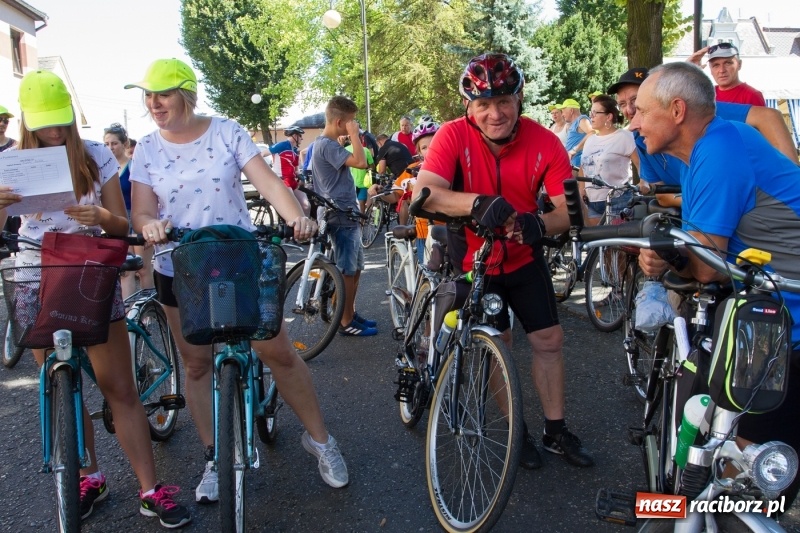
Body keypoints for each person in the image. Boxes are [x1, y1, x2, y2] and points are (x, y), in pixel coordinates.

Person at [125, 59, 350, 501]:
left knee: (277, 352)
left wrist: (298, 218)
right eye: (148, 95)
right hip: (180, 266)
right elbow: (141, 209)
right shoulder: (147, 148)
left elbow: (266, 182)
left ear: (186, 94)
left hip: (234, 259)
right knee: (195, 364)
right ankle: (214, 456)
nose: (154, 103)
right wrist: (149, 224)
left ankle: (322, 442)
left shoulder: (226, 131)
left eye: (163, 94)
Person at [0, 70, 191, 528]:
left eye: (58, 119)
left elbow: (122, 226)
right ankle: (90, 477)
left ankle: (149, 488)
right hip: (36, 271)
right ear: (25, 118)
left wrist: (102, 214)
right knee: (58, 383)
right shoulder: (10, 160)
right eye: (43, 121)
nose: (52, 129)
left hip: (87, 269)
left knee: (118, 388)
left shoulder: (93, 154)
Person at [413, 53, 594, 470]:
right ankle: (517, 432)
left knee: (549, 341)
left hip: (524, 257)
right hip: (476, 260)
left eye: (504, 102)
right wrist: (477, 203)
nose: (495, 114)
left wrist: (539, 223)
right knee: (500, 344)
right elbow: (424, 196)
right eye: (483, 105)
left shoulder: (544, 141)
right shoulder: (453, 136)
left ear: (520, 98)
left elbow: (571, 210)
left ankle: (554, 430)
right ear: (469, 107)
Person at [632, 60, 800, 507]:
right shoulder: (714, 144)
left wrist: (663, 258)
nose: (634, 122)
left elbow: (707, 264)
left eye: (642, 112)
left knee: (752, 480)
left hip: (789, 326)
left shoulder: (718, 148)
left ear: (678, 111)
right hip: (776, 310)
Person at [608, 66, 798, 193]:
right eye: (622, 104)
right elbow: (659, 193)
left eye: (637, 102)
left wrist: (788, 180)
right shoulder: (640, 138)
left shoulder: (701, 113)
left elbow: (769, 116)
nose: (630, 110)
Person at [311, 95, 377, 337]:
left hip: (346, 213)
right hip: (339, 214)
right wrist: (355, 135)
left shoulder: (328, 144)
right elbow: (360, 161)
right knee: (347, 270)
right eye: (351, 121)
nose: (355, 125)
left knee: (356, 268)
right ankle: (345, 321)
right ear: (340, 122)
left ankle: (350, 311)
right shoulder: (327, 145)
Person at [366, 119, 440, 262]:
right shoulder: (412, 169)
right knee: (427, 276)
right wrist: (380, 193)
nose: (430, 150)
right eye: (425, 147)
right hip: (424, 232)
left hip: (452, 232)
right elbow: (395, 196)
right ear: (418, 151)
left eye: (434, 145)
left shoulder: (455, 167)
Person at [103, 123, 154, 298]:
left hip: (136, 217)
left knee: (143, 268)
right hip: (118, 221)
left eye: (114, 143)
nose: (110, 147)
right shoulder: (106, 169)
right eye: (107, 144)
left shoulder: (134, 167)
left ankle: (150, 310)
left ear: (124, 144)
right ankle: (129, 312)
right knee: (125, 270)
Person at [579, 95, 638, 226]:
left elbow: (641, 166)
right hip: (591, 203)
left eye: (595, 113)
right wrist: (581, 190)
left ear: (609, 117)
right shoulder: (590, 140)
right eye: (591, 112)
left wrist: (643, 186)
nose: (591, 117)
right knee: (596, 244)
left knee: (615, 245)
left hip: (618, 200)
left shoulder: (625, 137)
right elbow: (583, 168)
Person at [687, 43, 766, 106]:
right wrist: (686, 69)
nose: (722, 70)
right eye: (716, 65)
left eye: (728, 63)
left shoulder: (752, 96)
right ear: (710, 69)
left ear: (739, 64)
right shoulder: (706, 95)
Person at [270, 125, 310, 216]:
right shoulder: (282, 145)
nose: (302, 139)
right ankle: (290, 227)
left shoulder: (295, 150)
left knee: (306, 206)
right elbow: (263, 154)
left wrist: (301, 177)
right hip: (283, 180)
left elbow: (296, 169)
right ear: (295, 136)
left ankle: (305, 228)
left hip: (292, 181)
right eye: (300, 136)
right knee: (292, 207)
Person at [346, 129, 375, 213]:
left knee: (351, 204)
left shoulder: (345, 149)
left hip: (349, 182)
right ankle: (362, 223)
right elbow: (372, 166)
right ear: (361, 138)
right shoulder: (365, 150)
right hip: (363, 182)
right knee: (362, 204)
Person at [561, 98, 594, 168]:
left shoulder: (582, 119)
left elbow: (592, 133)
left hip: (578, 165)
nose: (562, 115)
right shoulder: (575, 123)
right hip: (572, 163)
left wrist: (574, 150)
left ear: (571, 111)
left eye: (563, 111)